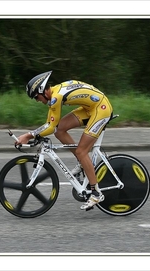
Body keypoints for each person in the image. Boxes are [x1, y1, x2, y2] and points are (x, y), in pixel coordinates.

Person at [15, 71, 113, 210]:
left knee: (81, 151)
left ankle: (96, 193)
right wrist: (35, 134)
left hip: (101, 109)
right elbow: (51, 125)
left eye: (36, 97)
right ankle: (82, 163)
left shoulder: (56, 97)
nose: (37, 101)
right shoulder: (54, 95)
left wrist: (28, 135)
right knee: (60, 130)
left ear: (43, 91)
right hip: (90, 108)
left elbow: (50, 126)